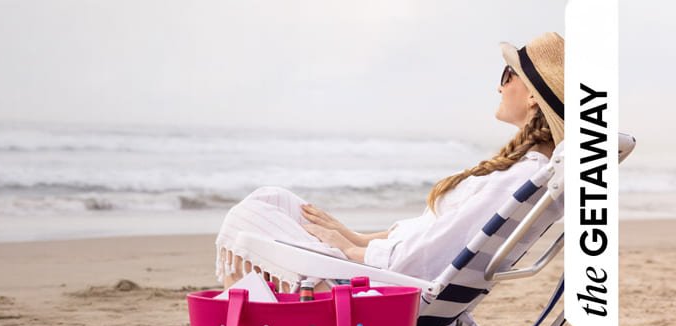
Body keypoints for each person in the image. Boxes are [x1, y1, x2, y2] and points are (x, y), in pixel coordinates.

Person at [215, 32, 565, 293]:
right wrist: (354, 236)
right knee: (272, 199)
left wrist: (348, 249)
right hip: (396, 276)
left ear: (533, 95)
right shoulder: (529, 173)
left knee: (247, 221)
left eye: (507, 76)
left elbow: (425, 255)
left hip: (387, 290)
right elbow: (438, 238)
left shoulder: (517, 177)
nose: (500, 87)